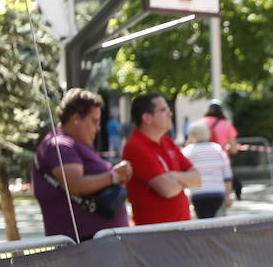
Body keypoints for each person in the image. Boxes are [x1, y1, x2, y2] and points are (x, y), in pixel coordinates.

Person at [32, 88, 132, 241]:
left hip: (97, 243)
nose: (98, 128)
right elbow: (74, 184)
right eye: (94, 120)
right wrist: (114, 176)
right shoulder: (59, 145)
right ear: (76, 118)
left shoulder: (76, 144)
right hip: (83, 245)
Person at [122, 92, 200, 225]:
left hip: (180, 228)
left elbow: (197, 179)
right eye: (163, 110)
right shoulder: (136, 147)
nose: (170, 114)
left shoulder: (167, 141)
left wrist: (173, 176)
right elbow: (167, 189)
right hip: (155, 233)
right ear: (147, 117)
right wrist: (183, 181)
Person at [182, 121, 234, 219]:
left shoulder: (188, 151)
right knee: (219, 225)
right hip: (218, 192)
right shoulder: (217, 148)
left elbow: (182, 172)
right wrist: (228, 195)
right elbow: (227, 175)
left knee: (203, 224)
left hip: (198, 193)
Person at [200, 100, 242, 200]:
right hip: (221, 161)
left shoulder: (200, 123)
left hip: (202, 162)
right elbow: (233, 149)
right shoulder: (226, 125)